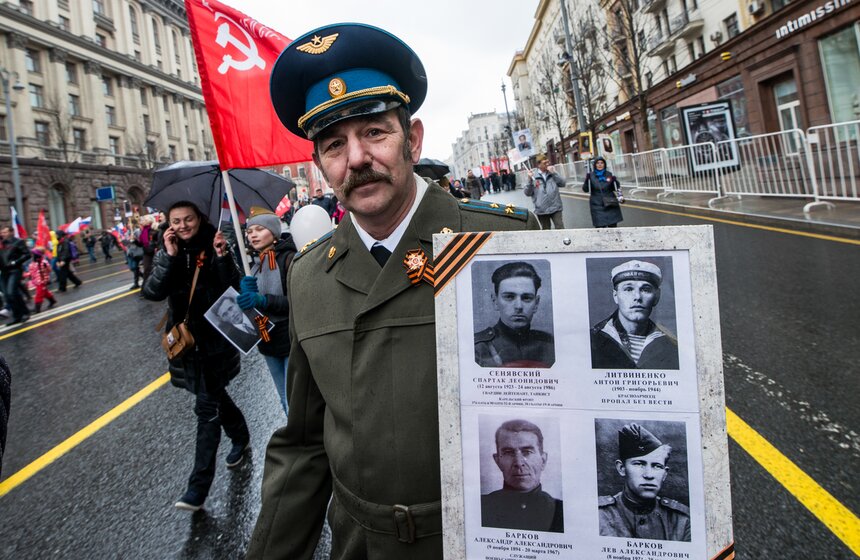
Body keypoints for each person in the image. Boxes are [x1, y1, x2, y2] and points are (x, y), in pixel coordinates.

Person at [248, 23, 539, 560]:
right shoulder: (309, 277)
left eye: (375, 132)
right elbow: (306, 445)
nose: (356, 158)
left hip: (489, 539)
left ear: (414, 139)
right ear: (320, 166)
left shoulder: (502, 242)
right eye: (334, 145)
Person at [142, 200, 250, 512]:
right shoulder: (169, 250)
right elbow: (152, 292)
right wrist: (169, 258)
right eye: (176, 221)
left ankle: (197, 489)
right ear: (168, 223)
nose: (183, 226)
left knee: (206, 409)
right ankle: (241, 437)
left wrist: (222, 256)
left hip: (215, 341)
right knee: (214, 398)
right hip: (188, 345)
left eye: (188, 219)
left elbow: (233, 287)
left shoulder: (214, 241)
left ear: (199, 219)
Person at [237, 207, 297, 416]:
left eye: (259, 229)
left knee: (293, 399)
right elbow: (251, 310)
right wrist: (245, 298)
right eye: (249, 231)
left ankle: (303, 444)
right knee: (283, 397)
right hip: (266, 339)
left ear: (273, 232)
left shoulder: (289, 259)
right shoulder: (253, 266)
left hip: (289, 338)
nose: (252, 234)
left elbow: (297, 302)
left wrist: (264, 300)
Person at [598, 423, 690, 541]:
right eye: (639, 464)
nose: (648, 475)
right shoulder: (599, 515)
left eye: (656, 466)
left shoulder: (682, 520)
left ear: (665, 474)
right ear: (621, 468)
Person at [590, 260, 679, 369]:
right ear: (615, 296)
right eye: (628, 289)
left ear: (657, 296)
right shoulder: (591, 340)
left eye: (645, 289)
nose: (637, 297)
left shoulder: (673, 345)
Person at [481, 419, 563, 532]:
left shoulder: (561, 511)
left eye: (527, 452)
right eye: (508, 452)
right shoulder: (481, 507)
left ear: (543, 460)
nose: (519, 463)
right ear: (497, 461)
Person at [474, 262, 555, 368]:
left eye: (526, 298)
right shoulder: (478, 347)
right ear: (495, 301)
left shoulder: (550, 345)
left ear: (536, 303)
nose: (518, 306)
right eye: (509, 297)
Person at [524, 155, 565, 230]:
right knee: (546, 230)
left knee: (560, 228)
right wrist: (529, 180)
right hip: (542, 209)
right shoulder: (533, 176)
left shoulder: (552, 173)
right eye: (544, 163)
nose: (547, 164)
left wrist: (554, 173)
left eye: (548, 162)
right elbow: (527, 193)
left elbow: (563, 183)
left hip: (555, 207)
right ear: (539, 165)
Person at [582, 156, 624, 228]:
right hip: (597, 205)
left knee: (613, 228)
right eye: (598, 163)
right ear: (595, 165)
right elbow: (586, 189)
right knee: (600, 228)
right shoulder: (591, 176)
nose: (600, 165)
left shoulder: (609, 174)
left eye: (602, 163)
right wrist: (587, 180)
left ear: (604, 164)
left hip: (610, 203)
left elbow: (615, 188)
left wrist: (615, 181)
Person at [0, 226, 30, 325]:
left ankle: (25, 312)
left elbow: (27, 254)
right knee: (8, 295)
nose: (3, 234)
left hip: (15, 270)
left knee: (11, 292)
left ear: (11, 232)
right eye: (2, 232)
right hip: (4, 272)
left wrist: (15, 262)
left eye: (5, 232)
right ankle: (17, 316)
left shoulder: (18, 242)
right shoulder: (2, 243)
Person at [25, 247, 56, 313]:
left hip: (42, 281)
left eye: (33, 254)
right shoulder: (33, 262)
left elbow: (49, 269)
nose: (31, 256)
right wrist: (26, 275)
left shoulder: (43, 262)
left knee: (39, 294)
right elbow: (32, 271)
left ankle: (37, 308)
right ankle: (52, 300)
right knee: (45, 292)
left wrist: (44, 273)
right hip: (37, 281)